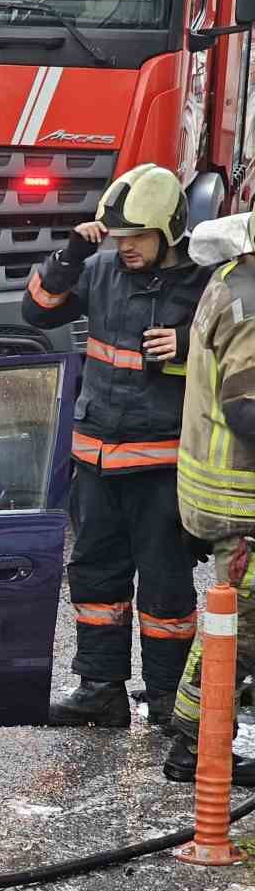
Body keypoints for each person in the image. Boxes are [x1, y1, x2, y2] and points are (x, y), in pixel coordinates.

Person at [23, 164, 213, 727]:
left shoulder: (204, 283)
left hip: (161, 469)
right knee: (96, 579)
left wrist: (185, 346)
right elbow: (35, 310)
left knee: (165, 591)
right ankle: (101, 689)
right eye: (120, 237)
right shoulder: (100, 269)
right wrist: (68, 257)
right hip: (97, 461)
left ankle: (166, 702)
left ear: (170, 230)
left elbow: (237, 352)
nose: (126, 248)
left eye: (138, 238)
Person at [166, 208, 255, 783]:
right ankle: (193, 747)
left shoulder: (230, 277)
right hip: (243, 501)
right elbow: (246, 406)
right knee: (240, 624)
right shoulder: (253, 300)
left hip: (219, 492)